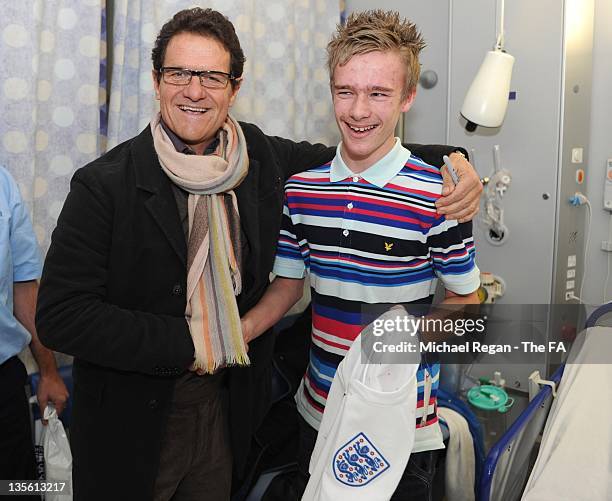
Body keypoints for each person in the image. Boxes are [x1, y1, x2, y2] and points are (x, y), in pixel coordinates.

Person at [36, 7, 482, 501]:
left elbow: (366, 152)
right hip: (135, 419)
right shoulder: (105, 184)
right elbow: (60, 317)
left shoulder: (264, 161)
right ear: (157, 80)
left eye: (211, 76)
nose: (194, 90)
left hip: (231, 412)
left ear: (235, 87)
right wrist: (193, 341)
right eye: (179, 73)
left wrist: (458, 163)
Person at [241, 10, 481, 500]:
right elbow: (288, 286)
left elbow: (468, 301)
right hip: (319, 411)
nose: (358, 110)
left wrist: (398, 341)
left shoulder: (439, 195)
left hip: (400, 425)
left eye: (378, 93)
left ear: (407, 98)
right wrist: (236, 333)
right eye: (345, 91)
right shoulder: (302, 191)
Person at [0, 166, 68, 493]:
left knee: (13, 488)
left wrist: (49, 371)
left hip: (2, 387)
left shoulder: (3, 184)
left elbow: (24, 287)